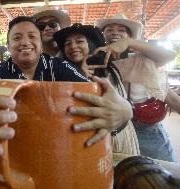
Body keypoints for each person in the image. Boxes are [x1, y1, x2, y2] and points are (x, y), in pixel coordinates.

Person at [0, 16, 133, 157]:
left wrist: (124, 109)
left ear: (40, 45)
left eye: (32, 36)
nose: (25, 42)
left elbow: (96, 97)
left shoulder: (59, 66)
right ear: (8, 46)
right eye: (17, 38)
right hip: (11, 152)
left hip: (58, 152)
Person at [95, 13, 180, 161]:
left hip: (146, 131)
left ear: (129, 36)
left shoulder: (144, 60)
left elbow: (169, 55)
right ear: (102, 35)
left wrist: (129, 42)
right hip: (113, 131)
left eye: (121, 30)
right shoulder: (97, 61)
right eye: (109, 30)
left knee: (162, 179)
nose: (115, 33)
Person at [53, 23, 139, 155]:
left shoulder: (107, 69)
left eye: (80, 41)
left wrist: (129, 41)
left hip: (116, 136)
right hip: (82, 138)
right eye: (67, 44)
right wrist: (78, 74)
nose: (73, 46)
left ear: (91, 44)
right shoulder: (60, 73)